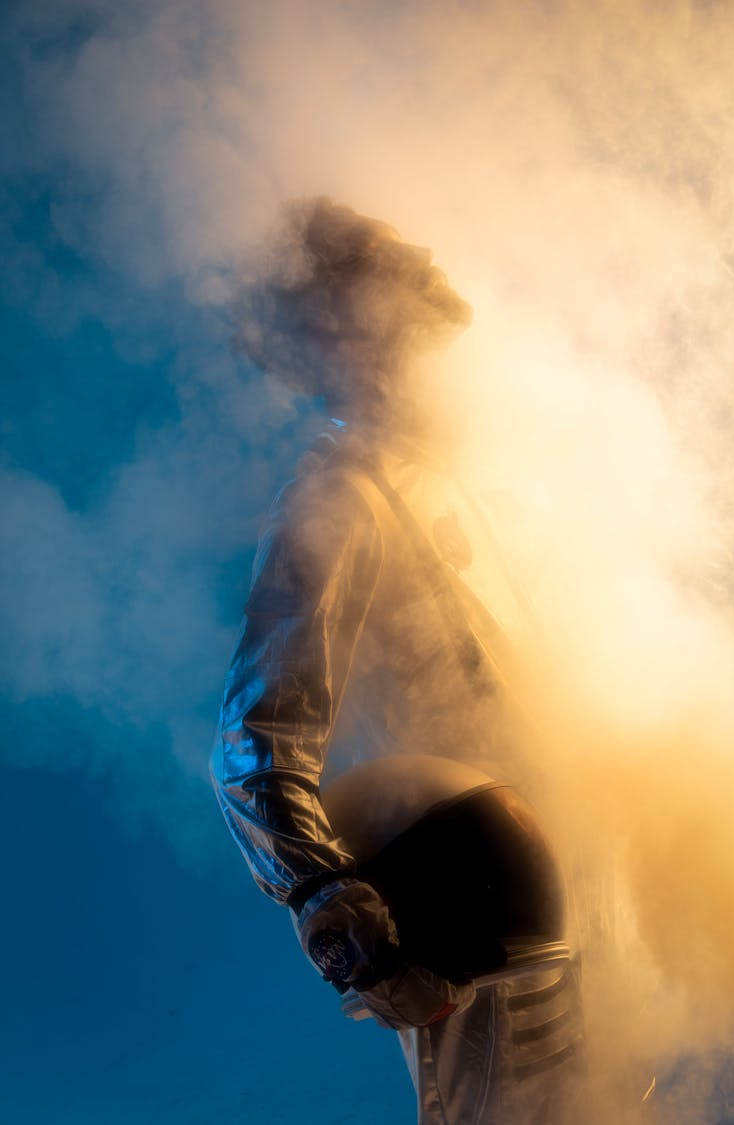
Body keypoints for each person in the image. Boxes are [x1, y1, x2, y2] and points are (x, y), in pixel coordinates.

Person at [210, 197, 583, 1123]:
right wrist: (337, 910)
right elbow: (252, 743)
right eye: (381, 273)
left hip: (566, 892)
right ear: (329, 335)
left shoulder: (461, 478)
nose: (418, 264)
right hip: (477, 925)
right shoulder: (341, 497)